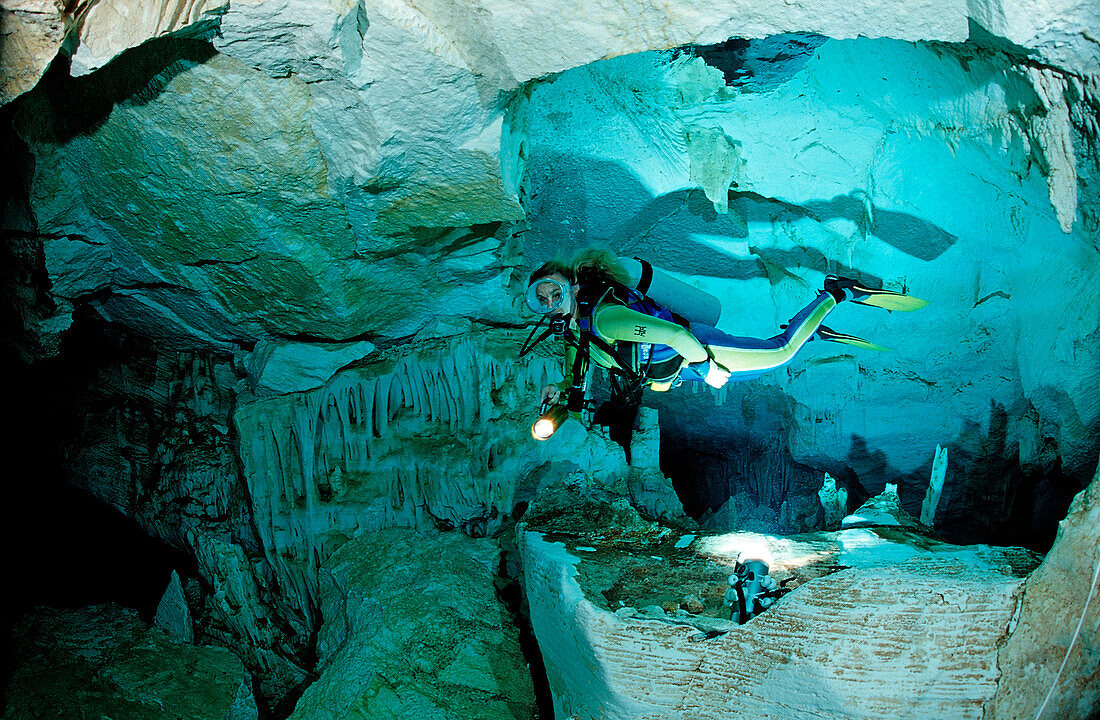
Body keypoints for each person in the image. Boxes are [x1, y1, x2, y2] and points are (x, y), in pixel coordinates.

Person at [525, 250, 926, 408]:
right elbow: (577, 373)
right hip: (685, 365)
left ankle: (838, 293)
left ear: (573, 287)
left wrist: (709, 368)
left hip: (699, 348)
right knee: (772, 355)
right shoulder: (574, 332)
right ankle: (813, 331)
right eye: (539, 299)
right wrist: (560, 389)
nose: (548, 303)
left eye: (554, 292)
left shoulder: (605, 318)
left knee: (781, 352)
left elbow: (676, 337)